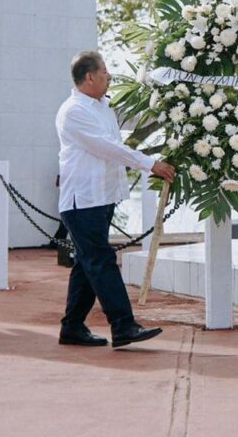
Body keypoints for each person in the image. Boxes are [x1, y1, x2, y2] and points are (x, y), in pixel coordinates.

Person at [56, 51, 175, 348]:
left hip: (102, 197)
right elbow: (108, 147)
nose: (109, 76)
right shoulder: (74, 111)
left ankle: (72, 327)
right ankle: (123, 325)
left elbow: (134, 120)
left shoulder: (104, 106)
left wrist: (172, 107)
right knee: (101, 260)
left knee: (87, 263)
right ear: (89, 77)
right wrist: (150, 164)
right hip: (82, 201)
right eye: (105, 72)